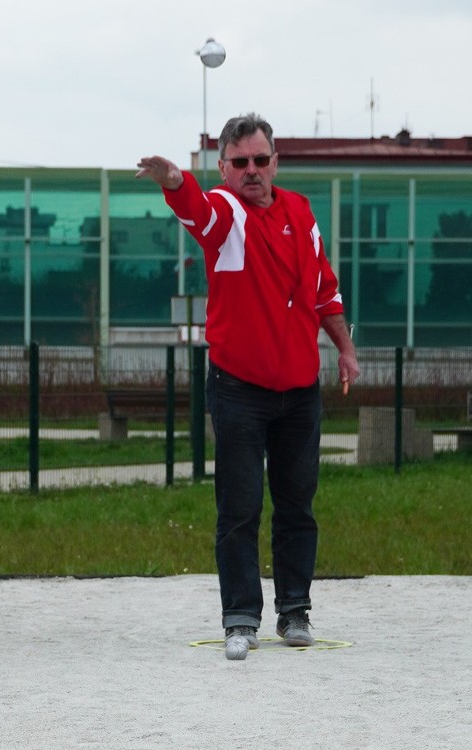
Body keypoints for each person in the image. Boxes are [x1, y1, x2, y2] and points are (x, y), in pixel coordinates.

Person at [138, 114, 360, 661]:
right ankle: (240, 619)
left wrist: (345, 348)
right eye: (241, 163)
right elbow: (198, 210)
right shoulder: (227, 213)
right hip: (239, 386)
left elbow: (324, 291)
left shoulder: (301, 212)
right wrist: (173, 182)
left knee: (297, 505)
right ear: (224, 168)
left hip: (300, 389)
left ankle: (295, 612)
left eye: (261, 161)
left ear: (275, 162)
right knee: (238, 508)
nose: (253, 171)